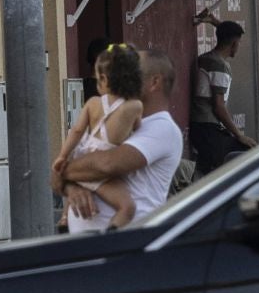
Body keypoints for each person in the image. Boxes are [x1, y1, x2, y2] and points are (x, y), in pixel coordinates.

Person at [55, 47, 184, 227]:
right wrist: (71, 187)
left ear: (154, 82)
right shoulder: (102, 114)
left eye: (132, 72)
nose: (121, 75)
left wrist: (64, 172)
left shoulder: (162, 128)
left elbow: (105, 165)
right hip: (89, 248)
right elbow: (54, 179)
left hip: (129, 244)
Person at [51, 43, 144, 233]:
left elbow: (76, 131)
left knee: (76, 182)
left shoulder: (93, 103)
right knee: (127, 207)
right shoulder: (134, 107)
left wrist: (62, 156)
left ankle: (65, 217)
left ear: (103, 78)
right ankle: (110, 234)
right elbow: (137, 132)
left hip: (82, 158)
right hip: (101, 170)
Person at [190, 18, 253, 174]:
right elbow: (219, 107)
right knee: (248, 152)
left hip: (199, 128)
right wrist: (239, 135)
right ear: (234, 44)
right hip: (208, 129)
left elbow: (225, 32)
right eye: (238, 43)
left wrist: (214, 22)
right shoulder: (219, 65)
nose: (239, 47)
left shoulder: (205, 58)